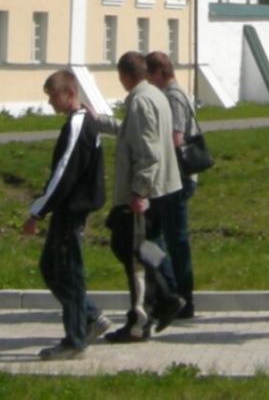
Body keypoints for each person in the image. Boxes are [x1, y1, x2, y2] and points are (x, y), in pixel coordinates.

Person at [20, 70, 109, 360]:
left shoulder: (79, 125)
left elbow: (63, 174)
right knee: (51, 267)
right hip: (68, 208)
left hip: (71, 209)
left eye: (54, 96)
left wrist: (37, 212)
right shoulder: (84, 121)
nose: (51, 103)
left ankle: (75, 340)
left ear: (70, 92)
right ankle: (91, 316)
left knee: (68, 272)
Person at [101, 50, 184, 342]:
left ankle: (150, 311)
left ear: (125, 76)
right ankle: (165, 295)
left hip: (146, 192)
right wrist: (98, 120)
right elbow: (133, 133)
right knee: (140, 246)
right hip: (162, 188)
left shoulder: (139, 101)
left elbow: (147, 152)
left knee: (130, 250)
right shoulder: (156, 95)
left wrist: (138, 190)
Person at [145, 50, 200, 319]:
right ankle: (168, 289)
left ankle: (182, 296)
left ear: (158, 73)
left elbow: (176, 138)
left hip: (177, 178)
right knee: (150, 236)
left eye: (149, 75)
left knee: (176, 241)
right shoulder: (168, 95)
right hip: (167, 179)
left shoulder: (173, 96)